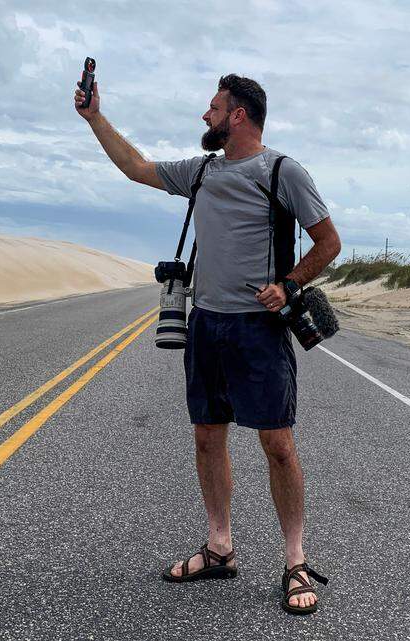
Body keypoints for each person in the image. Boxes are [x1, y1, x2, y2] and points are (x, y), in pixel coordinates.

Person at [74, 72, 341, 615]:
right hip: (207, 325)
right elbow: (136, 168)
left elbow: (329, 242)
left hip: (257, 330)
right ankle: (220, 547)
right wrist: (95, 118)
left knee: (278, 447)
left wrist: (289, 285)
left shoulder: (283, 172)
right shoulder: (201, 172)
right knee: (206, 438)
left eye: (213, 107)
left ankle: (294, 559)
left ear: (237, 115)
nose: (205, 115)